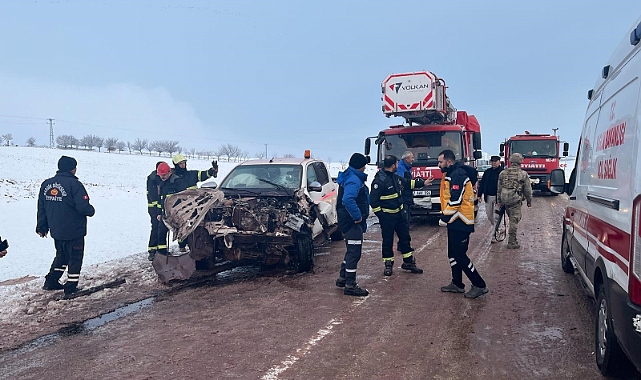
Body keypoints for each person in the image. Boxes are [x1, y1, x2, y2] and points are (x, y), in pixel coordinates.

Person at [36, 156, 95, 296]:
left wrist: (41, 226)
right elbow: (83, 207)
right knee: (75, 257)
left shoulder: (46, 185)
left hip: (56, 230)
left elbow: (41, 207)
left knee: (61, 255)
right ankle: (71, 287)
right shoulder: (74, 185)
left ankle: (51, 281)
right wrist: (91, 210)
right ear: (72, 168)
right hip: (74, 230)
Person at [437, 150, 489, 298]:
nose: (438, 165)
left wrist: (444, 218)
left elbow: (455, 201)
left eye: (440, 162)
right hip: (455, 221)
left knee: (460, 255)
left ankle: (479, 285)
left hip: (461, 221)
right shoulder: (450, 174)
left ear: (449, 162)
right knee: (452, 254)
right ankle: (457, 283)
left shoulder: (457, 175)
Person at [370, 155, 424, 277]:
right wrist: (382, 216)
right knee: (388, 241)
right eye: (397, 164)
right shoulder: (379, 181)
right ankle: (388, 264)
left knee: (405, 239)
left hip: (400, 216)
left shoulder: (395, 177)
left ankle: (408, 263)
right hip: (387, 218)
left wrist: (423, 183)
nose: (398, 166)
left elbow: (408, 183)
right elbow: (373, 202)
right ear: (393, 165)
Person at [335, 153, 370, 297]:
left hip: (346, 219)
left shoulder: (349, 176)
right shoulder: (354, 180)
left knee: (351, 248)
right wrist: (357, 217)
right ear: (361, 166)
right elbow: (348, 199)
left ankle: (343, 278)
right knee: (354, 251)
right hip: (351, 221)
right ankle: (350, 285)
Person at [171, 154, 218, 252]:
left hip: (194, 206)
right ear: (176, 165)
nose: (183, 165)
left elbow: (203, 174)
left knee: (196, 225)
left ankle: (193, 244)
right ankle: (182, 246)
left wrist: (212, 171)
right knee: (182, 226)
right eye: (180, 164)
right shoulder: (173, 179)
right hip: (181, 208)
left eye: (184, 163)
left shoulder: (191, 175)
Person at [497, 153, 533, 249]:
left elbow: (499, 188)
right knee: (514, 220)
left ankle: (511, 239)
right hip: (515, 200)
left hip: (505, 199)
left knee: (511, 217)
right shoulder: (523, 174)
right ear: (520, 161)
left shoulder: (503, 173)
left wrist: (499, 201)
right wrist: (529, 201)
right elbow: (527, 190)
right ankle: (511, 242)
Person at [395, 151, 432, 225]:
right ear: (406, 159)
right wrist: (422, 183)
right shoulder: (401, 169)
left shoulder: (406, 167)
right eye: (412, 158)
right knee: (404, 220)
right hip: (403, 198)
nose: (413, 159)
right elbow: (404, 183)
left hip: (407, 197)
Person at [477, 156, 503, 242]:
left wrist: (503, 199)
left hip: (498, 198)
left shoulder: (502, 173)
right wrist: (479, 195)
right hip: (488, 197)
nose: (494, 163)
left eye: (496, 161)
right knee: (489, 216)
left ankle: (495, 235)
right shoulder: (487, 172)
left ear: (499, 162)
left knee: (496, 217)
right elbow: (482, 183)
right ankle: (499, 227)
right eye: (492, 161)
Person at [155, 162, 175, 256]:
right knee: (161, 233)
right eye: (161, 175)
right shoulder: (161, 184)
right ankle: (162, 253)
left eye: (164, 175)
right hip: (164, 214)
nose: (162, 177)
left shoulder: (176, 182)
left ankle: (185, 248)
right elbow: (161, 201)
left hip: (175, 214)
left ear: (169, 172)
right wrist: (159, 213)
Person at [146, 162, 165, 261]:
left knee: (162, 228)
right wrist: (157, 211)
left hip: (160, 208)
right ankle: (152, 250)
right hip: (154, 208)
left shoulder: (159, 178)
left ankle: (161, 250)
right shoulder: (153, 179)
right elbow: (153, 196)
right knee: (155, 228)